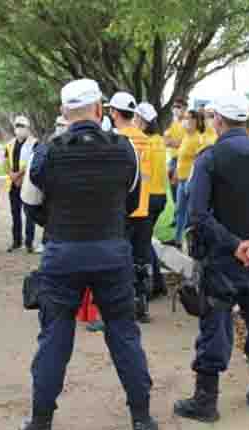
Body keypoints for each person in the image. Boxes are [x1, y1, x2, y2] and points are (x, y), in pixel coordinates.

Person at [18, 78, 158, 430]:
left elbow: (30, 204)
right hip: (112, 253)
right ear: (99, 110)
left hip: (62, 254)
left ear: (64, 113)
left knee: (54, 338)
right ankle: (141, 421)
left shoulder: (46, 153)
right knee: (123, 334)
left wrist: (58, 225)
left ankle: (41, 426)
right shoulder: (125, 149)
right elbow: (131, 203)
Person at [173, 95, 249, 422]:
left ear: (218, 120)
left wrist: (235, 244)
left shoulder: (210, 158)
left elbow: (198, 214)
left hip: (221, 258)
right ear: (247, 121)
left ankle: (205, 402)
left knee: (215, 323)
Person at [110, 91, 154, 323]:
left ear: (114, 112)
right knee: (141, 259)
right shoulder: (146, 140)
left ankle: (121, 308)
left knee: (119, 259)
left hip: (122, 210)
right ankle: (142, 306)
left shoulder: (115, 140)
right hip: (143, 208)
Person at [136, 102, 169, 299]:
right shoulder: (159, 141)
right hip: (160, 197)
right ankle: (158, 283)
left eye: (137, 119)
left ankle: (153, 285)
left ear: (144, 121)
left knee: (142, 242)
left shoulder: (145, 143)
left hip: (147, 197)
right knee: (146, 240)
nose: (135, 122)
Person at [167, 109, 204, 247]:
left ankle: (191, 243)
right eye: (185, 118)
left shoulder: (198, 138)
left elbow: (199, 161)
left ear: (195, 121)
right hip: (182, 180)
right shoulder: (186, 137)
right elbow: (181, 157)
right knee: (179, 211)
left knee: (190, 214)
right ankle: (177, 240)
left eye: (188, 118)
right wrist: (176, 174)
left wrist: (191, 180)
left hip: (190, 181)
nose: (185, 121)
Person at [5, 115, 39, 253]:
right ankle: (16, 242)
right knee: (15, 214)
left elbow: (34, 162)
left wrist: (18, 175)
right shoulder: (9, 144)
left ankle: (29, 243)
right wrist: (11, 175)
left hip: (27, 183)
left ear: (28, 128)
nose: (19, 129)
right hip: (13, 184)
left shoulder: (34, 143)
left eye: (22, 126)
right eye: (17, 126)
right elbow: (5, 162)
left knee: (29, 214)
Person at [164, 98, 187, 209]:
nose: (175, 109)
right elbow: (166, 141)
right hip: (172, 159)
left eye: (178, 107)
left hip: (183, 160)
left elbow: (185, 143)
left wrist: (174, 142)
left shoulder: (188, 123)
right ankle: (177, 212)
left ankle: (181, 213)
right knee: (173, 189)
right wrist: (176, 142)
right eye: (174, 107)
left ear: (184, 108)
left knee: (181, 191)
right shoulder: (172, 123)